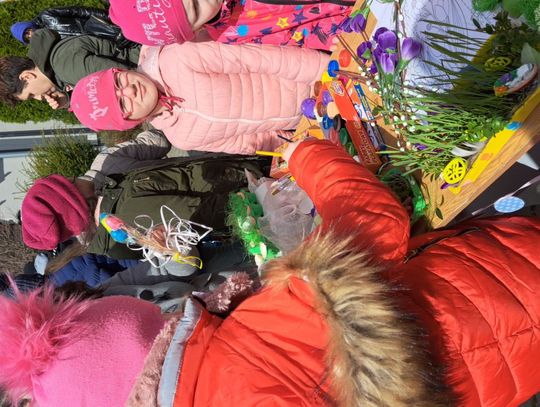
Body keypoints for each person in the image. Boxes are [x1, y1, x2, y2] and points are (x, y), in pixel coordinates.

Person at [2, 139, 539, 406]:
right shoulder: (251, 339)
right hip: (509, 287)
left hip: (504, 374)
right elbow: (372, 226)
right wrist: (307, 154)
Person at [70, 41, 329, 154]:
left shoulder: (176, 58)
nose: (129, 91)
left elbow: (260, 57)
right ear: (129, 121)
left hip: (323, 75)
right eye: (122, 103)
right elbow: (249, 142)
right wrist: (304, 142)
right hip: (316, 118)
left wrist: (326, 72)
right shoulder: (180, 137)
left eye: (118, 82)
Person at [109, 0, 354, 50]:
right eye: (196, 7)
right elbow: (292, 34)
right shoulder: (230, 31)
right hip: (352, 14)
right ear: (195, 30)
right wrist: (337, 33)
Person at [0, 28, 140, 109]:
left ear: (27, 76)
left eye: (31, 95)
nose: (39, 98)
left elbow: (130, 80)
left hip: (144, 63)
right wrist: (67, 100)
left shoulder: (65, 67)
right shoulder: (57, 61)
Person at [10, 6, 137, 49]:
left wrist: (109, 16)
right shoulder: (46, 45)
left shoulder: (47, 15)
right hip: (102, 45)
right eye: (26, 38)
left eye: (27, 31)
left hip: (104, 28)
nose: (30, 35)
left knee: (136, 32)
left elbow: (80, 11)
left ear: (28, 25)